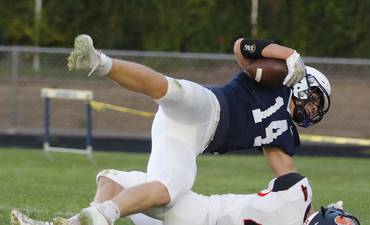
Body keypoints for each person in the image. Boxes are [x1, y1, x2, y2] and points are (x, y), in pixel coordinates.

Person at [59, 34, 331, 225]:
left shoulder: (285, 134)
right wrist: (289, 55)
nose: (313, 110)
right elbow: (241, 47)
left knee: (167, 190)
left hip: (190, 140)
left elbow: (291, 181)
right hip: (210, 107)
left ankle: (100, 215)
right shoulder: (278, 79)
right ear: (305, 82)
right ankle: (97, 60)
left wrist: (309, 217)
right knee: (169, 89)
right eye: (316, 100)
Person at [10, 170, 359, 225]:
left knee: (111, 179)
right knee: (121, 203)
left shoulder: (300, 193)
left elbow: (286, 177)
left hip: (194, 210)